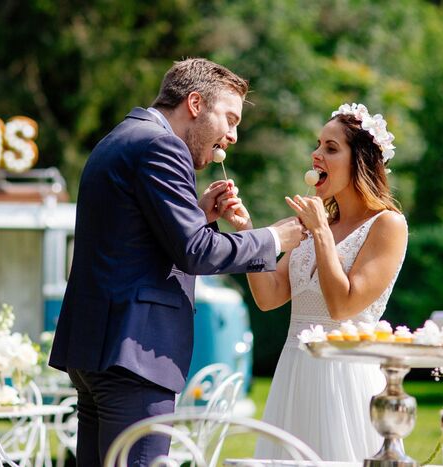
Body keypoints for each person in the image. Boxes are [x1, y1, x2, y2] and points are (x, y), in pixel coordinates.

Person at [48, 58, 305, 466]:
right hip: (134, 354)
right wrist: (275, 237)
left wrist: (198, 216)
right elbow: (197, 252)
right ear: (196, 103)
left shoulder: (119, 137)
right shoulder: (162, 145)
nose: (233, 136)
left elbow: (131, 240)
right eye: (231, 119)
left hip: (95, 350)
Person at [226, 103, 408, 461]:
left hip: (345, 379)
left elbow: (343, 305)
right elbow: (269, 296)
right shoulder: (312, 224)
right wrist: (247, 232)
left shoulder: (387, 225)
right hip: (295, 373)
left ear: (361, 161)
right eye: (318, 145)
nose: (316, 154)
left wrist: (321, 231)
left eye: (331, 148)